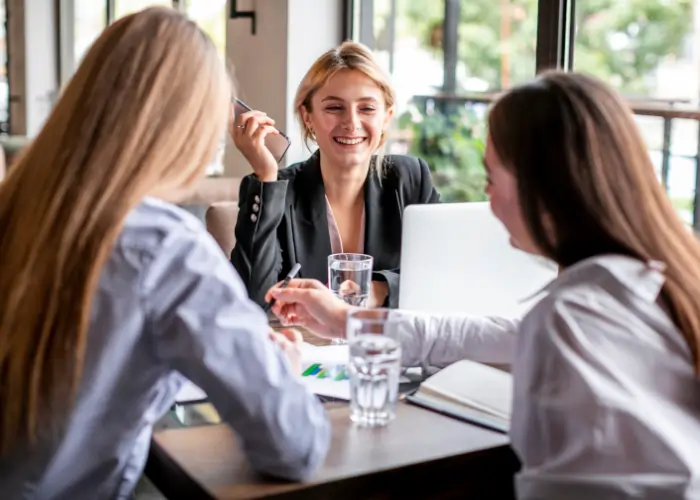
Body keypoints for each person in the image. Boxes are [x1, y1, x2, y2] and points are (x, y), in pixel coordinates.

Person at [266, 71, 700, 499]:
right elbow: (493, 335)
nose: (487, 195)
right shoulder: (648, 283)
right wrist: (349, 321)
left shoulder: (571, 321)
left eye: (491, 177)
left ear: (541, 186)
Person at [0, 8, 328, 499]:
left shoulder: (19, 208)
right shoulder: (162, 244)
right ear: (188, 126)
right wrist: (276, 365)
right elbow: (295, 444)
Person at [231, 41, 439, 309]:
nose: (351, 123)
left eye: (366, 108)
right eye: (334, 108)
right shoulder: (276, 191)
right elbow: (250, 300)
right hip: (307, 348)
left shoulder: (411, 179)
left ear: (386, 117)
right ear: (308, 116)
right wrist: (265, 174)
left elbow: (442, 276)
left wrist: (379, 289)